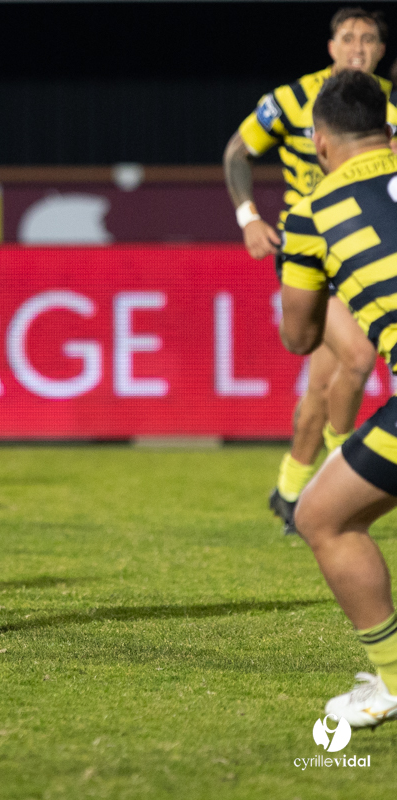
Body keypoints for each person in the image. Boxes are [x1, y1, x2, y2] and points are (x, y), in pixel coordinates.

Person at [223, 7, 397, 534]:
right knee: (360, 355)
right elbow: (237, 151)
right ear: (331, 47)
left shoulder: (388, 104)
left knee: (324, 384)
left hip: (371, 252)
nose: (358, 48)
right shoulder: (294, 100)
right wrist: (248, 216)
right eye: (348, 38)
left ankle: (291, 490)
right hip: (316, 249)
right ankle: (339, 476)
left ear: (381, 51)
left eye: (368, 39)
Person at [279, 70, 397, 727]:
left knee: (322, 516)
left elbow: (299, 336)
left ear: (320, 143)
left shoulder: (313, 212)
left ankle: (394, 680)